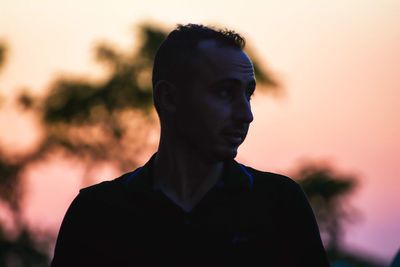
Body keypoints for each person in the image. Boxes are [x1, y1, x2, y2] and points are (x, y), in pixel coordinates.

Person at [51, 24, 330, 267]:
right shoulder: (97, 214)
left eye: (248, 94)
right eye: (224, 92)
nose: (246, 114)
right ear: (169, 98)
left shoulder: (279, 205)